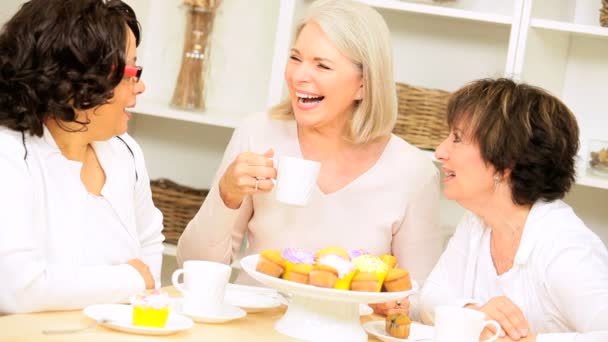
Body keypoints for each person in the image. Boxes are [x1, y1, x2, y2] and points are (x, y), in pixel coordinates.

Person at [177, 0, 443, 316]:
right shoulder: (259, 133)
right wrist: (227, 195)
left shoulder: (414, 172)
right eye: (295, 58)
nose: (299, 76)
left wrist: (394, 304)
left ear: (363, 84)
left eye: (322, 65)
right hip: (255, 329)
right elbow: (193, 267)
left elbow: (419, 299)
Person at [0, 0, 164, 314]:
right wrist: (129, 280)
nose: (140, 86)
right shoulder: (9, 155)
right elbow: (16, 290)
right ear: (76, 79)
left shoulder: (125, 152)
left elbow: (150, 246)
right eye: (131, 72)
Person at [420, 78, 608, 341]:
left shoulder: (563, 246)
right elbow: (431, 297)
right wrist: (475, 313)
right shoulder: (478, 221)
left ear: (505, 161)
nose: (440, 151)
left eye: (457, 139)